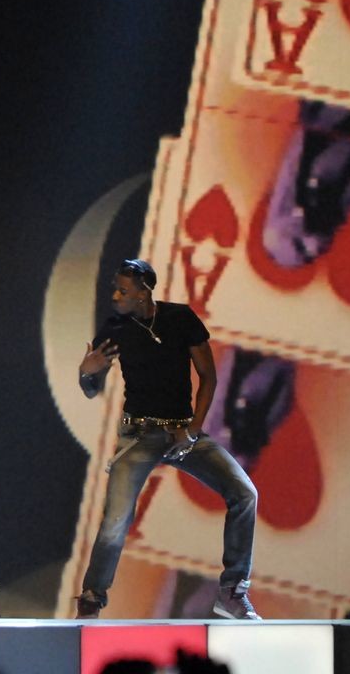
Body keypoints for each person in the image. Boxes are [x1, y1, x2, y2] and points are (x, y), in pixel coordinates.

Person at [75, 259, 259, 620]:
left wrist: (193, 429)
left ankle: (232, 592)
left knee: (245, 493)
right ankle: (92, 598)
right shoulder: (115, 329)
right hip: (139, 434)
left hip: (182, 433)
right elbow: (90, 389)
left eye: (123, 291)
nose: (115, 296)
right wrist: (87, 372)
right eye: (115, 289)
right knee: (116, 519)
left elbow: (208, 376)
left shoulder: (180, 318)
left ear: (144, 292)